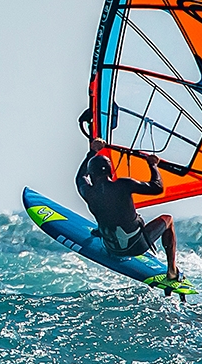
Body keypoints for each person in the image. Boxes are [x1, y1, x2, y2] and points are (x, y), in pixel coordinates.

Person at [75, 110, 180, 280]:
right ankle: (172, 270)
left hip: (110, 247)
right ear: (111, 170)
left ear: (91, 174)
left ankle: (103, 232)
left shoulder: (88, 191)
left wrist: (92, 152)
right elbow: (157, 187)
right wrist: (153, 166)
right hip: (137, 246)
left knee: (110, 221)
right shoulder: (123, 184)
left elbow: (80, 177)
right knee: (168, 219)